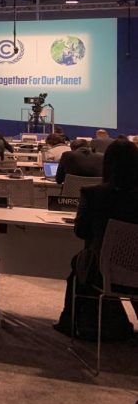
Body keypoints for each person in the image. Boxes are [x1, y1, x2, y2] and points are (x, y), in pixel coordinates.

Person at [54, 139, 138, 339]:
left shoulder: (94, 194)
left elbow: (81, 232)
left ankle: (69, 322)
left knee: (80, 264)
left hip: (105, 271)